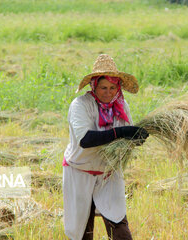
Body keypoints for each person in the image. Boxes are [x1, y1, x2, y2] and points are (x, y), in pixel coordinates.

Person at [62, 54, 149, 240]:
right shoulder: (80, 105)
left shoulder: (121, 105)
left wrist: (137, 137)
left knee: (119, 227)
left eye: (112, 87)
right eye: (103, 87)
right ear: (94, 86)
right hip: (80, 171)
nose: (108, 92)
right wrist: (123, 132)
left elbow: (127, 139)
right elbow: (86, 140)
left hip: (109, 172)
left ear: (118, 87)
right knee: (82, 230)